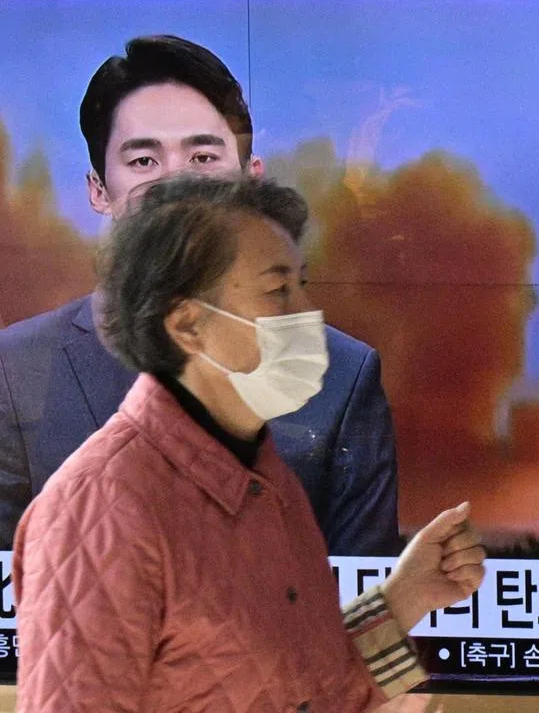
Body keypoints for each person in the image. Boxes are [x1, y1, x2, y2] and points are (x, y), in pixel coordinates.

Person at [12, 172, 487, 711]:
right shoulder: (99, 508)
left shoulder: (267, 483)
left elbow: (305, 687)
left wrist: (405, 598)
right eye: (278, 289)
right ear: (188, 324)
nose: (308, 313)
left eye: (303, 284)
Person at [0, 34, 399, 555]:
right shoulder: (16, 367)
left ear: (251, 179)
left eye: (204, 155)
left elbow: (363, 604)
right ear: (99, 189)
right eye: (144, 161)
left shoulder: (342, 375)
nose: (177, 183)